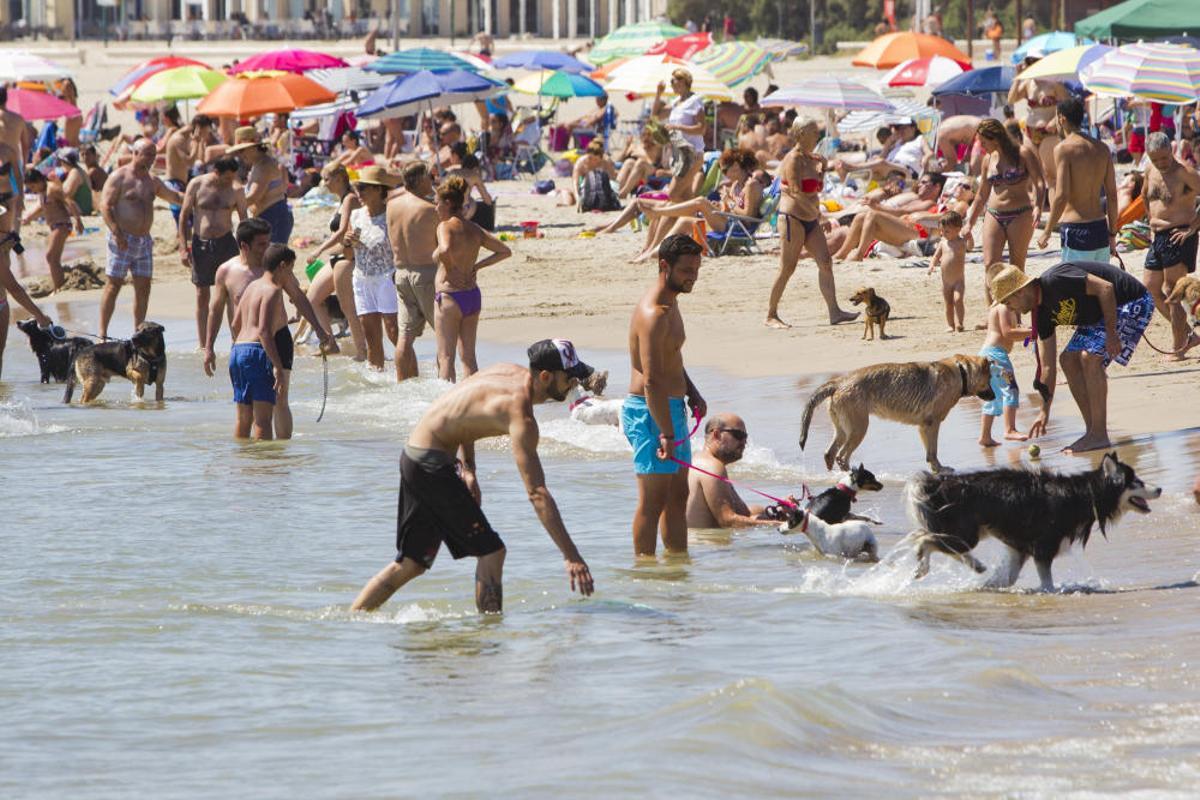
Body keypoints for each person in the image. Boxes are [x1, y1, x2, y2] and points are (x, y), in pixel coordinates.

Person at [350, 339, 597, 613]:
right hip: (430, 465)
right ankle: (488, 643)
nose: (575, 383)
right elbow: (537, 493)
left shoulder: (507, 370)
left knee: (411, 563)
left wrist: (468, 470)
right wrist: (571, 556)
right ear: (546, 376)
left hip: (416, 456)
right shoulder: (521, 417)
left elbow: (463, 404)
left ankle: (351, 620)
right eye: (570, 377)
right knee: (492, 553)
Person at [992, 261, 1154, 454]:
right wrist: (1045, 411)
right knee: (1067, 360)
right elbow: (1048, 368)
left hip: (1131, 301)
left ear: (1019, 292)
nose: (1010, 309)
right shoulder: (1042, 315)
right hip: (1098, 315)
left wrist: (1111, 333)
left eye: (1008, 303)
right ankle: (1092, 431)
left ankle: (1099, 435)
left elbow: (1106, 287)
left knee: (1090, 357)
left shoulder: (1056, 279)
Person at [204, 218, 334, 440]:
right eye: (261, 244)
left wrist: (319, 329)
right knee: (251, 416)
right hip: (251, 346)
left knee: (279, 400)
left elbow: (299, 297)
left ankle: (278, 452)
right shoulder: (226, 271)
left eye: (268, 242)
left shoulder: (275, 267)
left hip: (275, 339)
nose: (267, 248)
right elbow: (215, 311)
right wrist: (209, 348)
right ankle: (263, 466)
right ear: (244, 246)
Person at [623, 233, 707, 556]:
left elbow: (671, 357)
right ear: (664, 265)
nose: (692, 277)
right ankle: (645, 571)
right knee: (652, 501)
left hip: (671, 409)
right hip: (649, 412)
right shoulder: (653, 314)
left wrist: (691, 390)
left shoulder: (672, 302)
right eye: (686, 270)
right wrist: (667, 434)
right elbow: (651, 380)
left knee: (677, 495)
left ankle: (677, 566)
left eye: (696, 270)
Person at [768, 117, 859, 328]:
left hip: (809, 218)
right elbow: (795, 192)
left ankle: (834, 312)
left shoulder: (814, 159)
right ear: (800, 134)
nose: (817, 136)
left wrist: (823, 169)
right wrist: (821, 216)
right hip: (793, 218)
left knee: (825, 263)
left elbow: (814, 190)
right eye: (813, 132)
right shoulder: (792, 159)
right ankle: (771, 314)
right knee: (787, 268)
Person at [98, 139, 183, 340]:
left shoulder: (152, 181)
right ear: (135, 153)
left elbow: (173, 197)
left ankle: (138, 331)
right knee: (113, 285)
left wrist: (195, 198)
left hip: (143, 241)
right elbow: (105, 206)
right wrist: (116, 231)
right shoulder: (119, 177)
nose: (151, 159)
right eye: (147, 154)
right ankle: (102, 333)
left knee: (143, 286)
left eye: (153, 155)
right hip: (122, 239)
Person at [432, 175, 511, 382]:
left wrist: (450, 269)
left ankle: (448, 409)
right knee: (469, 358)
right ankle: (474, 404)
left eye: (437, 203)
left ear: (448, 203)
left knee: (446, 358)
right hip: (472, 296)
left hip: (449, 296)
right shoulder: (474, 229)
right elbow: (504, 251)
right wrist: (477, 266)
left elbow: (444, 250)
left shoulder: (445, 226)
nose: (435, 208)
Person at [227, 243, 297, 441]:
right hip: (257, 353)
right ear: (282, 266)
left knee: (243, 419)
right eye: (290, 270)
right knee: (263, 419)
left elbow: (234, 323)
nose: (290, 276)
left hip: (238, 351)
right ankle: (264, 467)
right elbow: (264, 332)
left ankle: (244, 464)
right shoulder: (273, 290)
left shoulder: (251, 287)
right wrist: (277, 366)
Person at [966, 118, 1046, 289]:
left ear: (995, 138)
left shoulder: (1022, 153)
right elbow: (981, 194)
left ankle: (1014, 314)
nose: (981, 146)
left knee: (1016, 267)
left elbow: (1039, 182)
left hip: (1020, 213)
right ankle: (993, 313)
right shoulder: (988, 160)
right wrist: (969, 224)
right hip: (994, 213)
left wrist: (1039, 205)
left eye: (983, 141)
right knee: (990, 265)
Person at [1037, 99, 1119, 263]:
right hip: (1100, 227)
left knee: (1075, 286)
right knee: (1100, 284)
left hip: (1076, 228)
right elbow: (1112, 195)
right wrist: (1112, 234)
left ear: (1061, 119)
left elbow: (1062, 195)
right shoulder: (1102, 149)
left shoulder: (1064, 149)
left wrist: (1047, 230)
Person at [1142, 131, 1200, 358]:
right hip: (1158, 237)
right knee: (1150, 288)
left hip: (1179, 235)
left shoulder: (1185, 173)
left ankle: (1179, 348)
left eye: (1164, 158)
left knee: (1172, 291)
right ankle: (1188, 335)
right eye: (1155, 159)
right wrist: (1150, 221)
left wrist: (1192, 228)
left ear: (1171, 151)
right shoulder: (1150, 170)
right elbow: (1145, 195)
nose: (1161, 164)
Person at [179, 157, 248, 347]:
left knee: (231, 293)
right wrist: (183, 247)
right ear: (216, 172)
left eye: (233, 177)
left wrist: (246, 249)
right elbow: (184, 215)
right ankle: (203, 344)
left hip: (226, 242)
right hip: (201, 244)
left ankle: (237, 340)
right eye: (227, 177)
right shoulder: (196, 184)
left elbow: (244, 220)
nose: (230, 181)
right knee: (202, 294)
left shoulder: (236, 189)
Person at [686, 414, 794, 528]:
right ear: (716, 435)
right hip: (707, 544)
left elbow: (744, 513)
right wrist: (782, 525)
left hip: (703, 543)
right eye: (738, 435)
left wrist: (777, 511)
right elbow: (728, 521)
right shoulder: (712, 467)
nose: (744, 442)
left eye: (745, 437)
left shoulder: (703, 461)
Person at [304, 163, 365, 360]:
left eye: (327, 179)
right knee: (312, 299)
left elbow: (342, 230)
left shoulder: (350, 198)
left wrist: (319, 250)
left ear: (340, 178)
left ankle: (363, 353)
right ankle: (330, 342)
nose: (324, 183)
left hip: (347, 258)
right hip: (335, 259)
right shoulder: (341, 200)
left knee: (349, 308)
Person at [341, 166, 398, 372]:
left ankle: (408, 376)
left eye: (363, 187)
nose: (359, 191)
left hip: (387, 277)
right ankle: (376, 383)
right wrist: (347, 243)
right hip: (362, 277)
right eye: (357, 187)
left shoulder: (392, 215)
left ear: (379, 189)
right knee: (371, 336)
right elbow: (348, 255)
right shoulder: (356, 215)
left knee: (394, 332)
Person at [388, 161, 439, 381]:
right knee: (444, 334)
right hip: (426, 273)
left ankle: (403, 385)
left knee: (405, 336)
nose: (433, 180)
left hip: (400, 273)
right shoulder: (430, 210)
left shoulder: (392, 206)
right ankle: (445, 383)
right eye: (430, 177)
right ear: (419, 180)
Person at [979, 264, 1032, 446]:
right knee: (1011, 389)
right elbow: (1008, 332)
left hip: (987, 355)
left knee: (992, 395)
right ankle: (1010, 429)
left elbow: (1009, 331)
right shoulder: (1004, 307)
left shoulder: (997, 307)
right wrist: (1030, 333)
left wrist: (1025, 331)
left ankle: (985, 436)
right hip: (997, 356)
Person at [226, 126, 293, 245]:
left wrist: (226, 207)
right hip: (272, 216)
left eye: (242, 150)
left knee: (270, 259)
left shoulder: (263, 166)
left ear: (253, 148)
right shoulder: (260, 164)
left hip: (274, 217)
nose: (240, 155)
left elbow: (253, 197)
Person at [22, 167, 83, 291]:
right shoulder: (42, 192)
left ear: (39, 180)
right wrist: (29, 218)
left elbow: (69, 201)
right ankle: (60, 284)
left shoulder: (53, 189)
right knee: (54, 258)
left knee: (50, 256)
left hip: (62, 224)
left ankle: (58, 287)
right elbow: (43, 208)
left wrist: (78, 220)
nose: (32, 190)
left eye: (33, 187)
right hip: (54, 226)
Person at [928, 210, 967, 332]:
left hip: (958, 281)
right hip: (946, 282)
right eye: (942, 231)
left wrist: (970, 237)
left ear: (958, 229)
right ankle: (951, 325)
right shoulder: (943, 243)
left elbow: (970, 246)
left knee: (958, 300)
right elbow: (936, 256)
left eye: (947, 231)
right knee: (948, 304)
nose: (943, 233)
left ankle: (960, 323)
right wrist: (931, 265)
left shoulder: (961, 242)